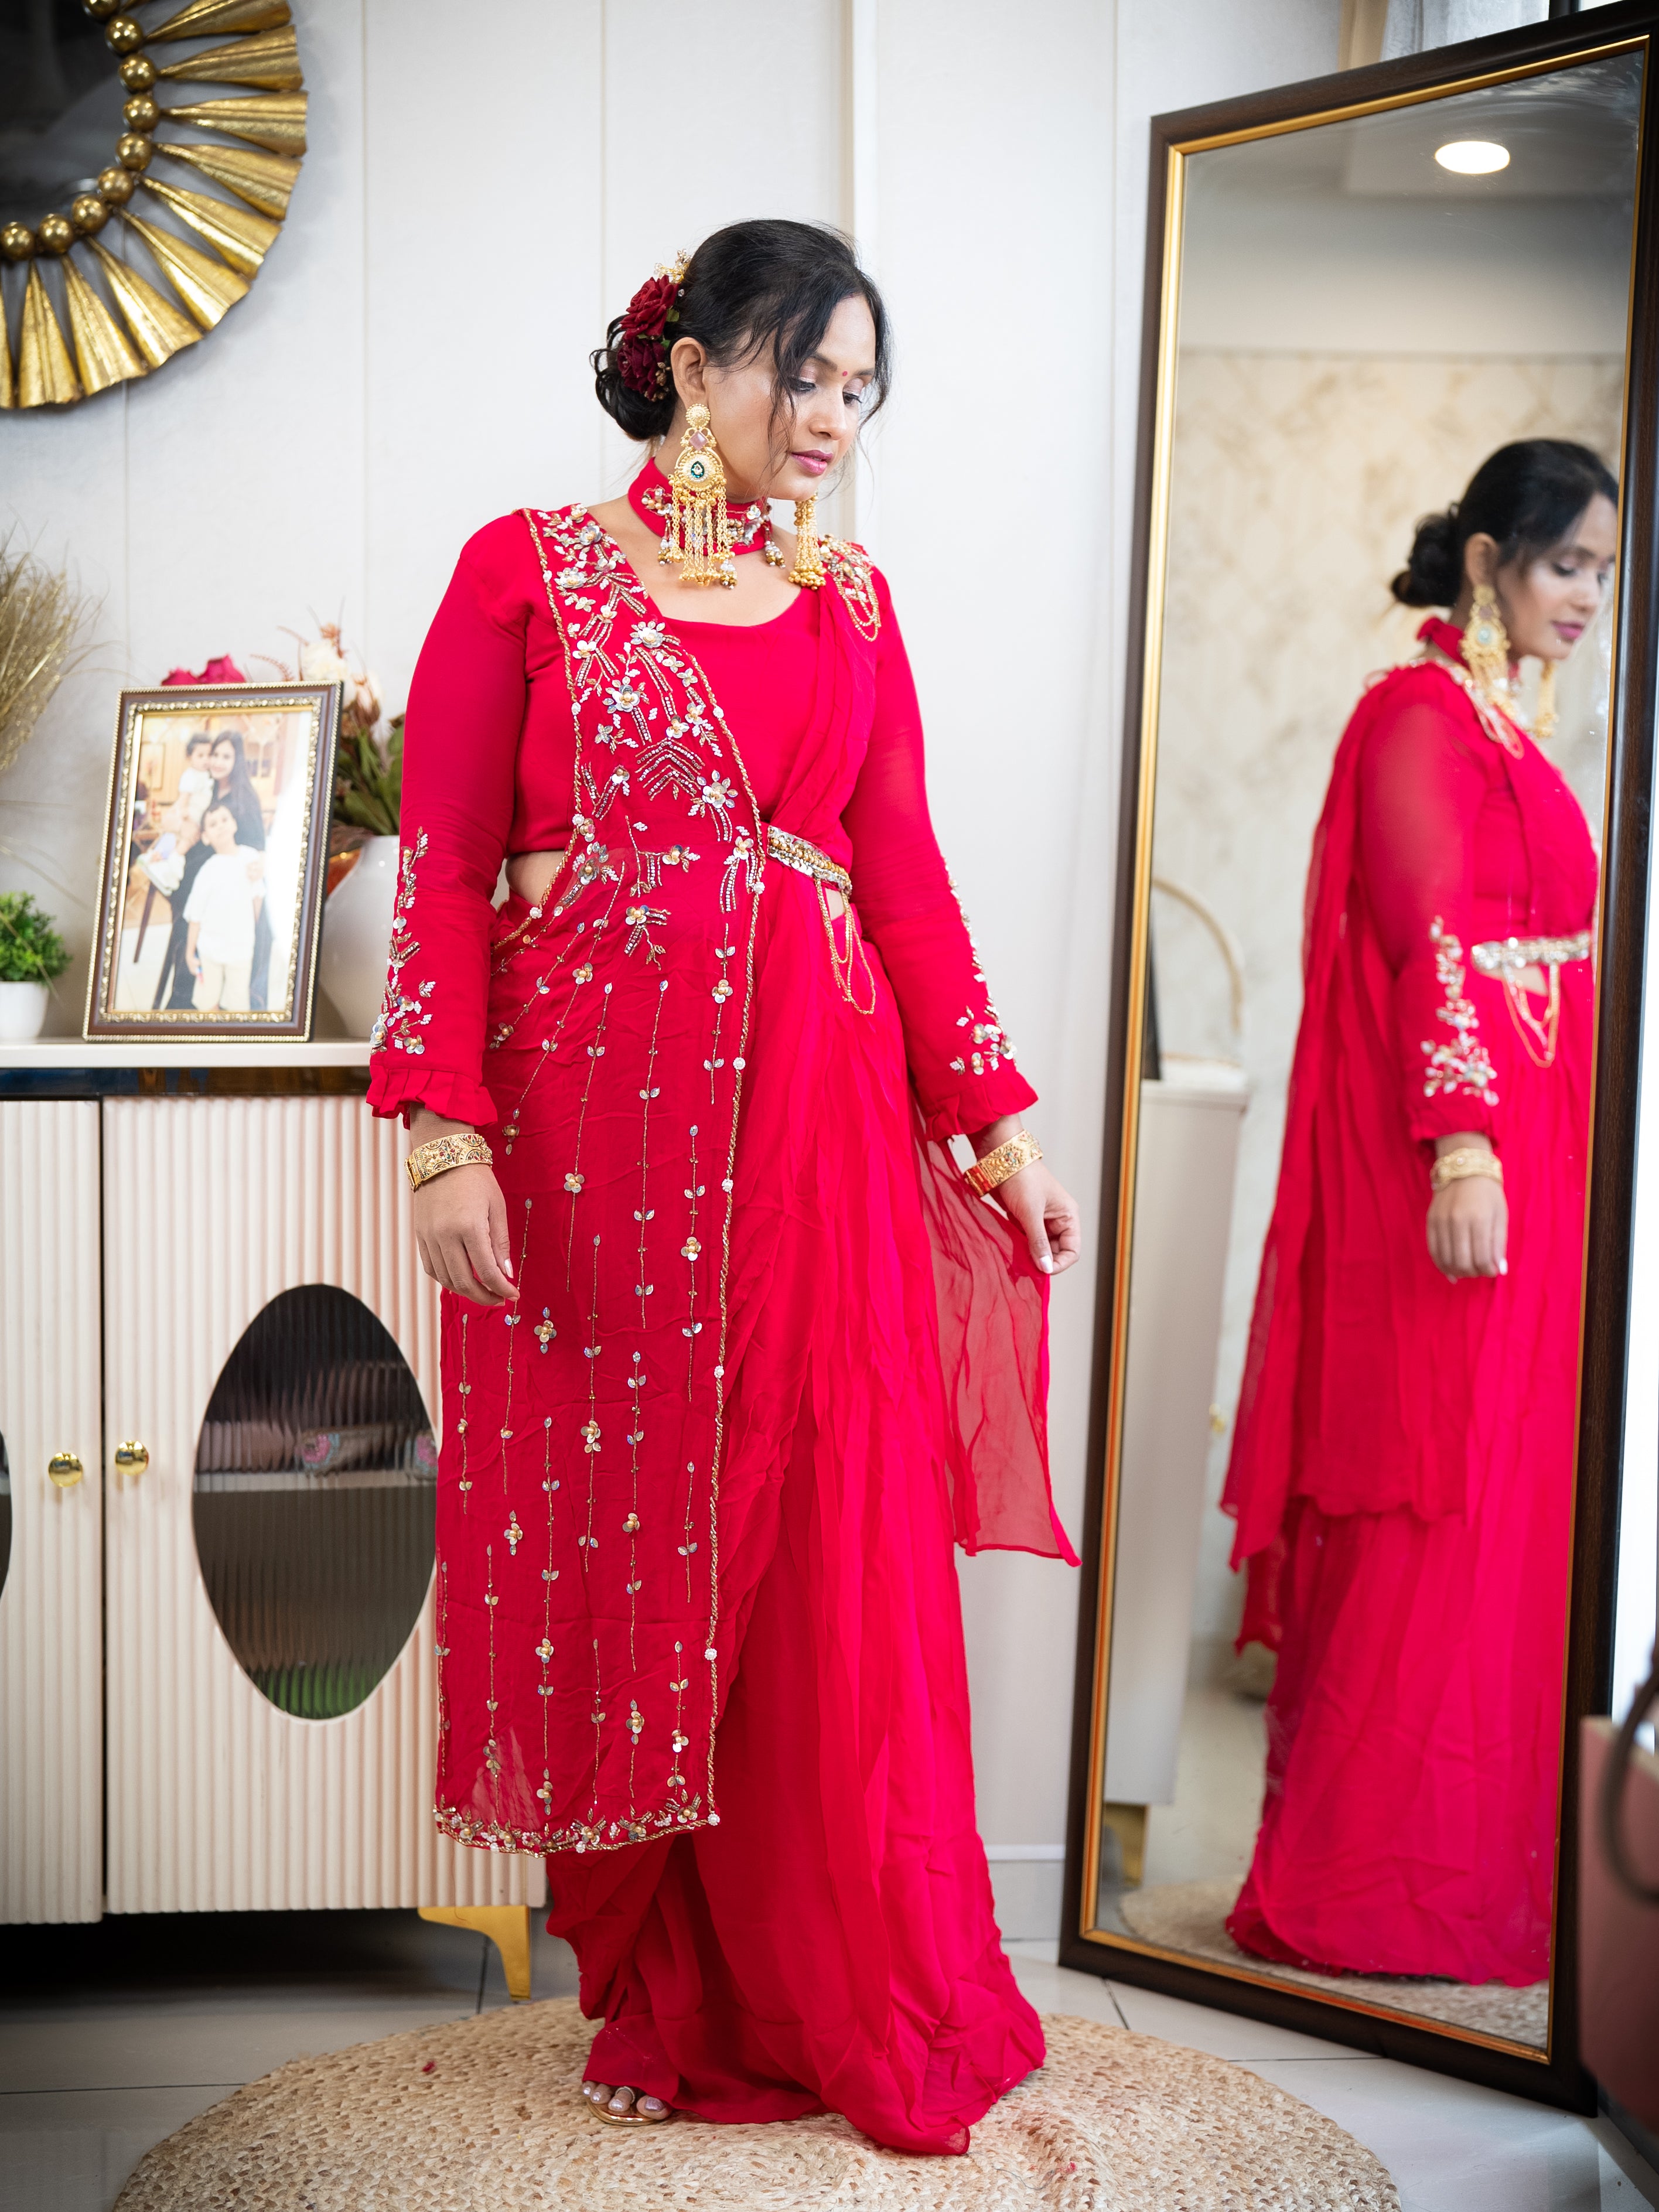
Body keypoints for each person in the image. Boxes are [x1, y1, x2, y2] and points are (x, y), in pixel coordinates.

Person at [366, 220, 1081, 2153]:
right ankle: (675, 1975)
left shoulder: (851, 598)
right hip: (598, 1123)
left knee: (823, 1524)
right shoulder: (525, 572)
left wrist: (992, 1118)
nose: (834, 417)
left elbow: (901, 861)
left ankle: (829, 1970)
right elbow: (439, 857)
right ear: (693, 361)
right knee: (646, 1524)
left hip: (822, 1118)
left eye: (862, 387)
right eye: (808, 372)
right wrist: (442, 1126)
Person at [1223, 440, 1617, 1987]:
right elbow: (1424, 930)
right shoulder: (1416, 715)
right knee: (1434, 1490)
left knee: (1511, 1496)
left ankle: (1477, 1872)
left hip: (1546, 1150)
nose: (1588, 593)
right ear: (1489, 561)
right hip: (1461, 1165)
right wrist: (1463, 1144)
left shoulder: (1512, 723)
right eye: (1566, 563)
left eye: (1602, 568)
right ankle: (1372, 1880)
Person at [184, 797, 264, 1011]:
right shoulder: (207, 870)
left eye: (224, 820)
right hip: (210, 949)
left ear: (234, 824)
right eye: (212, 824)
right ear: (205, 837)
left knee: (238, 1004)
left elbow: (258, 899)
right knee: (208, 1003)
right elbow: (195, 915)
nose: (220, 826)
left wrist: (251, 931)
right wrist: (190, 953)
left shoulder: (251, 859)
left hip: (241, 948)